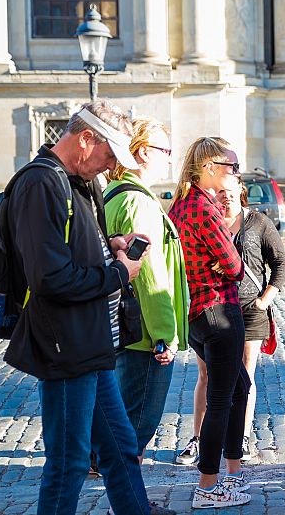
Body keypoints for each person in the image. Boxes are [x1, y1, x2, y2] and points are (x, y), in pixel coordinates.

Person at [2, 102, 174, 515]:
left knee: (120, 448)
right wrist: (119, 272)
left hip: (94, 344)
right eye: (110, 154)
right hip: (66, 347)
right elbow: (50, 278)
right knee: (69, 461)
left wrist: (111, 245)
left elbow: (76, 250)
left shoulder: (80, 181)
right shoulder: (40, 183)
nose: (112, 165)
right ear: (85, 139)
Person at [169, 137, 251, 509]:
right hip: (217, 310)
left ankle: (232, 473)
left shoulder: (182, 204)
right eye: (231, 166)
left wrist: (225, 261)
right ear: (209, 167)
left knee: (240, 386)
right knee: (220, 400)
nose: (236, 172)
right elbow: (234, 266)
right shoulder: (204, 208)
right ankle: (207, 486)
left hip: (197, 315)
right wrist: (227, 262)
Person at [104, 117, 189, 467]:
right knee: (133, 432)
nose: (169, 158)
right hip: (144, 334)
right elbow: (149, 275)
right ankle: (125, 491)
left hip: (122, 326)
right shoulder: (138, 202)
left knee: (119, 419)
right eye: (164, 150)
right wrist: (165, 334)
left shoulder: (114, 194)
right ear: (142, 153)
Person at [222, 184, 285, 458]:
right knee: (214, 374)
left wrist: (265, 299)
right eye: (221, 190)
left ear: (240, 189)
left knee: (246, 372)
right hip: (218, 308)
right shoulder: (210, 220)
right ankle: (208, 435)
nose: (225, 194)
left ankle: (242, 435)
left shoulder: (258, 221)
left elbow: (280, 261)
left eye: (230, 189)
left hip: (251, 308)